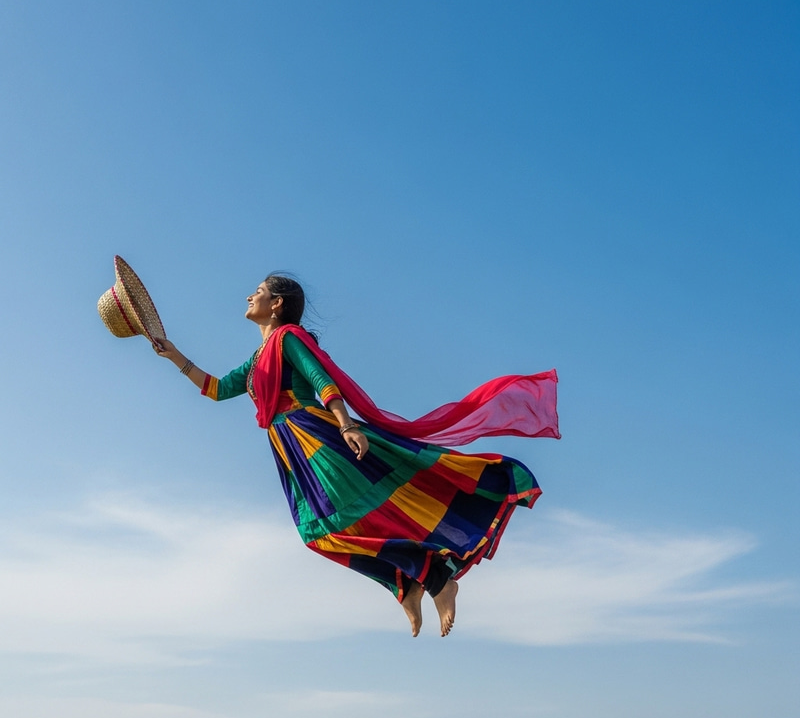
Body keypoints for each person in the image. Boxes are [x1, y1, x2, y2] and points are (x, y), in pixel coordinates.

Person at [154, 273, 559, 637]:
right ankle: (411, 581)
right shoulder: (258, 358)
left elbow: (320, 379)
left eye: (258, 292)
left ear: (276, 304)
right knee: (318, 533)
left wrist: (346, 425)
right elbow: (217, 388)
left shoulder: (288, 338)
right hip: (289, 448)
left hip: (313, 432)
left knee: (351, 513)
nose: (249, 296)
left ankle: (436, 580)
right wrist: (173, 355)